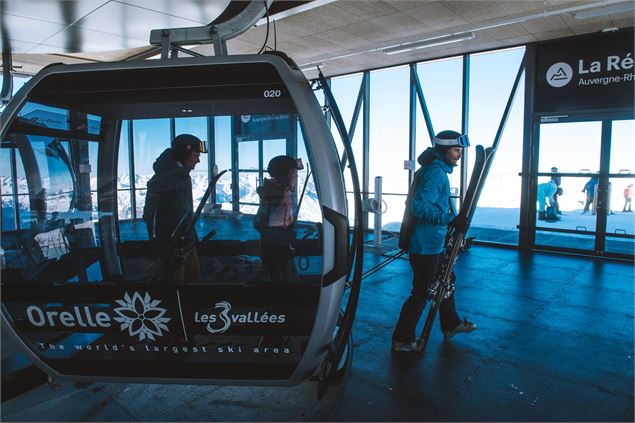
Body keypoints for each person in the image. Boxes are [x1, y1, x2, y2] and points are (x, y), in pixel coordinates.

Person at [392, 130, 476, 353]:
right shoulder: (435, 173)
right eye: (457, 150)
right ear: (444, 150)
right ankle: (402, 339)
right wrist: (450, 220)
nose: (459, 155)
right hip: (424, 246)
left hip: (432, 243)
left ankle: (451, 324)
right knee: (422, 292)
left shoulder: (436, 171)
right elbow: (418, 207)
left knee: (446, 281)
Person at [142, 134, 207, 284]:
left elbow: (182, 212)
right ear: (184, 154)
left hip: (186, 243)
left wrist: (191, 237)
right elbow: (149, 216)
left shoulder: (182, 176)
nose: (198, 160)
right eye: (195, 155)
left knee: (193, 284)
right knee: (173, 292)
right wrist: (165, 244)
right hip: (172, 249)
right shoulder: (163, 180)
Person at [254, 155, 304, 282]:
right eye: (293, 172)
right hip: (279, 257)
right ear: (284, 174)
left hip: (274, 254)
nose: (296, 176)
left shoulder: (274, 191)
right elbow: (270, 228)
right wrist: (286, 236)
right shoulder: (278, 194)